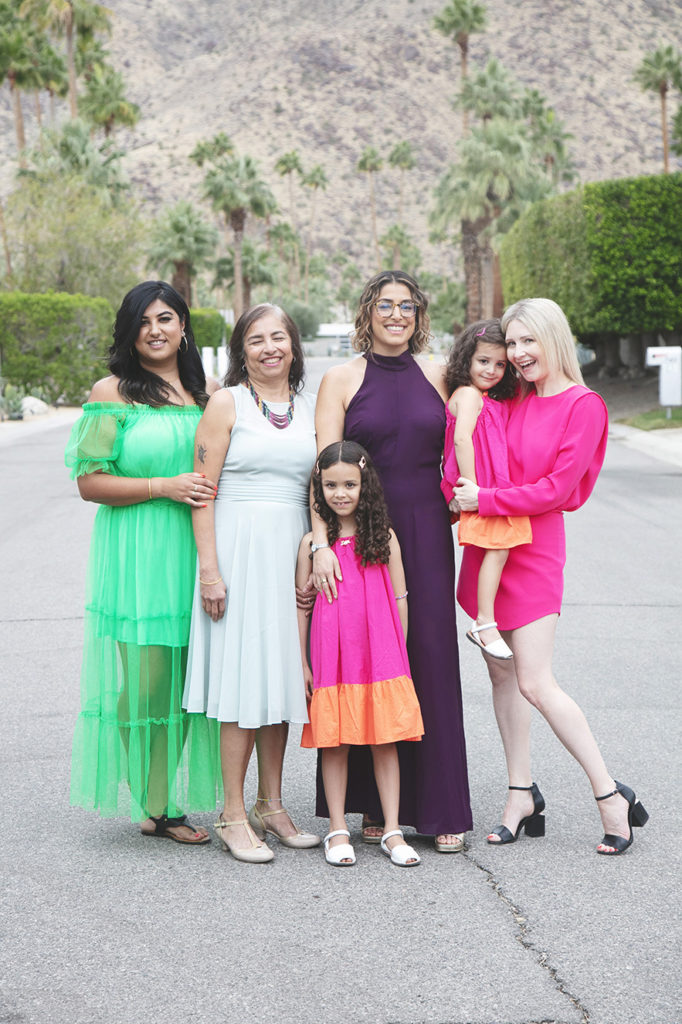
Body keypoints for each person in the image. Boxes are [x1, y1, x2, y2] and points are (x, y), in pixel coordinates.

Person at [454, 297, 649, 855]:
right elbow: (473, 450)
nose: (516, 355)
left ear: (553, 338)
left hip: (535, 552)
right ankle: (521, 795)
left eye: (526, 342)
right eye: (510, 344)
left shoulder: (584, 405)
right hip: (488, 549)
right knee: (502, 679)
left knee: (536, 681)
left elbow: (560, 490)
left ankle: (611, 795)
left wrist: (485, 498)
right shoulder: (508, 398)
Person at [311, 270, 473, 852]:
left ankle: (443, 808)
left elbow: (473, 436)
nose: (397, 314)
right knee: (366, 659)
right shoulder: (340, 379)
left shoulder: (439, 375)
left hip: (427, 533)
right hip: (362, 539)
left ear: (419, 314)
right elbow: (324, 472)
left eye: (407, 306)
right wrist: (321, 543)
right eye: (386, 305)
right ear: (367, 313)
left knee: (428, 656)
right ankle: (376, 808)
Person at [66, 280, 220, 844]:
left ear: (183, 326)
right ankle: (155, 799)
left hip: (195, 547)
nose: (155, 330)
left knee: (185, 681)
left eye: (166, 319)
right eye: (143, 322)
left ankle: (157, 798)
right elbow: (90, 482)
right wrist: (162, 485)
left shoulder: (207, 394)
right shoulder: (112, 393)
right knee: (148, 677)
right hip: (138, 550)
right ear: (130, 333)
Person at [183, 303, 321, 863]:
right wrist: (210, 571)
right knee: (242, 683)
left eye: (279, 337)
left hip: (288, 550)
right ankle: (232, 813)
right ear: (242, 350)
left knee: (281, 678)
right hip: (237, 555)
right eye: (257, 339)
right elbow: (202, 491)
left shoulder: (311, 407)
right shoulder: (226, 403)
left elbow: (319, 487)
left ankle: (272, 803)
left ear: (293, 345)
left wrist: (315, 552)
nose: (269, 348)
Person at [297, 441, 424, 868]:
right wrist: (303, 662)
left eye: (349, 484)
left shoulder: (383, 537)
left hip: (381, 654)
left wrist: (399, 652)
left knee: (385, 740)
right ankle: (337, 828)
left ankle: (391, 829)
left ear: (364, 484)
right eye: (330, 485)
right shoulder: (313, 548)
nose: (340, 493)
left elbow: (401, 596)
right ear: (320, 489)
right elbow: (302, 606)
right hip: (332, 656)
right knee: (335, 742)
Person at [441, 319, 531, 661]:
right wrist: (471, 487)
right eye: (483, 361)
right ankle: (484, 620)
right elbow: (462, 438)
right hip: (478, 487)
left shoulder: (489, 398)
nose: (492, 370)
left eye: (500, 364)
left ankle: (486, 618)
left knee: (501, 549)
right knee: (498, 548)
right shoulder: (467, 395)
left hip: (491, 488)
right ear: (466, 360)